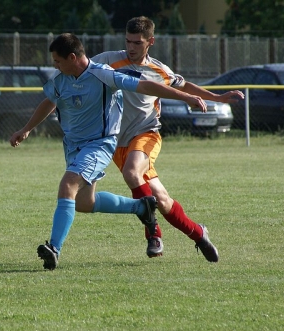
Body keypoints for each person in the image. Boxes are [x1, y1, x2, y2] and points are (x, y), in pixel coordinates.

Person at [9, 33, 209, 270]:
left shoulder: (102, 74)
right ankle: (141, 207)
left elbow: (145, 85)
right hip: (73, 147)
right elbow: (49, 101)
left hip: (98, 145)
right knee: (84, 202)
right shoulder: (62, 78)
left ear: (72, 57)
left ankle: (54, 248)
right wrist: (27, 129)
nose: (55, 65)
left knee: (67, 186)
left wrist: (186, 97)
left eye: (58, 61)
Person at [91, 16, 245, 262]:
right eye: (128, 41)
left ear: (150, 42)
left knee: (132, 173)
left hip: (146, 133)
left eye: (137, 43)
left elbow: (184, 86)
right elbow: (82, 69)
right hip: (118, 143)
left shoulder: (158, 71)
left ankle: (153, 234)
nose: (131, 47)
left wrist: (218, 98)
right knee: (162, 201)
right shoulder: (108, 60)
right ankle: (198, 232)